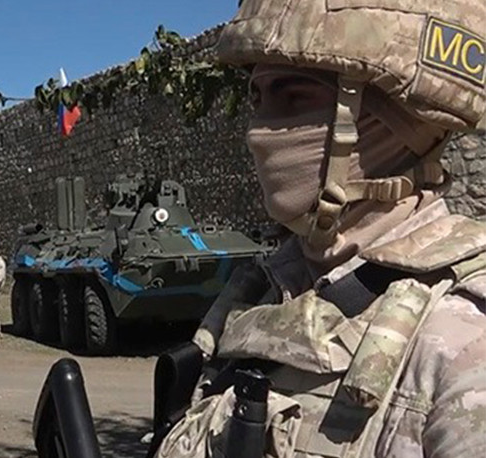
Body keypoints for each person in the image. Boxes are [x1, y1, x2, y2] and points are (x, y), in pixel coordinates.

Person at [156, 0, 485, 457]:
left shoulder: (463, 341)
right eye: (258, 98)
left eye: (293, 97)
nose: (258, 132)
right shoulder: (267, 288)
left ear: (396, 123)